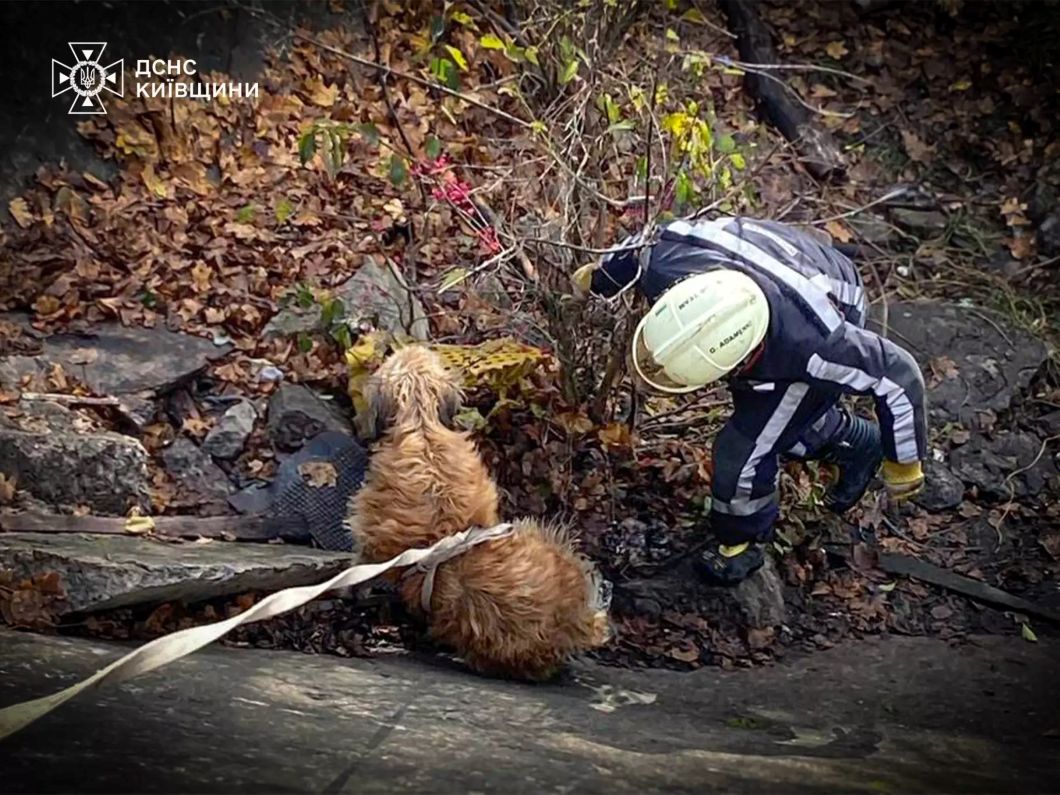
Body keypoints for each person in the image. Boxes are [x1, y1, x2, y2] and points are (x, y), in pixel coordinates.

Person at [572, 216, 928, 585]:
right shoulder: (667, 261)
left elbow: (897, 375)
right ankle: (850, 439)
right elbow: (643, 241)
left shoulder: (816, 346)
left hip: (836, 297)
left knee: (743, 451)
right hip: (782, 263)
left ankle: (741, 545)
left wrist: (904, 461)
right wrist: (599, 278)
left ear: (747, 356)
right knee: (783, 424)